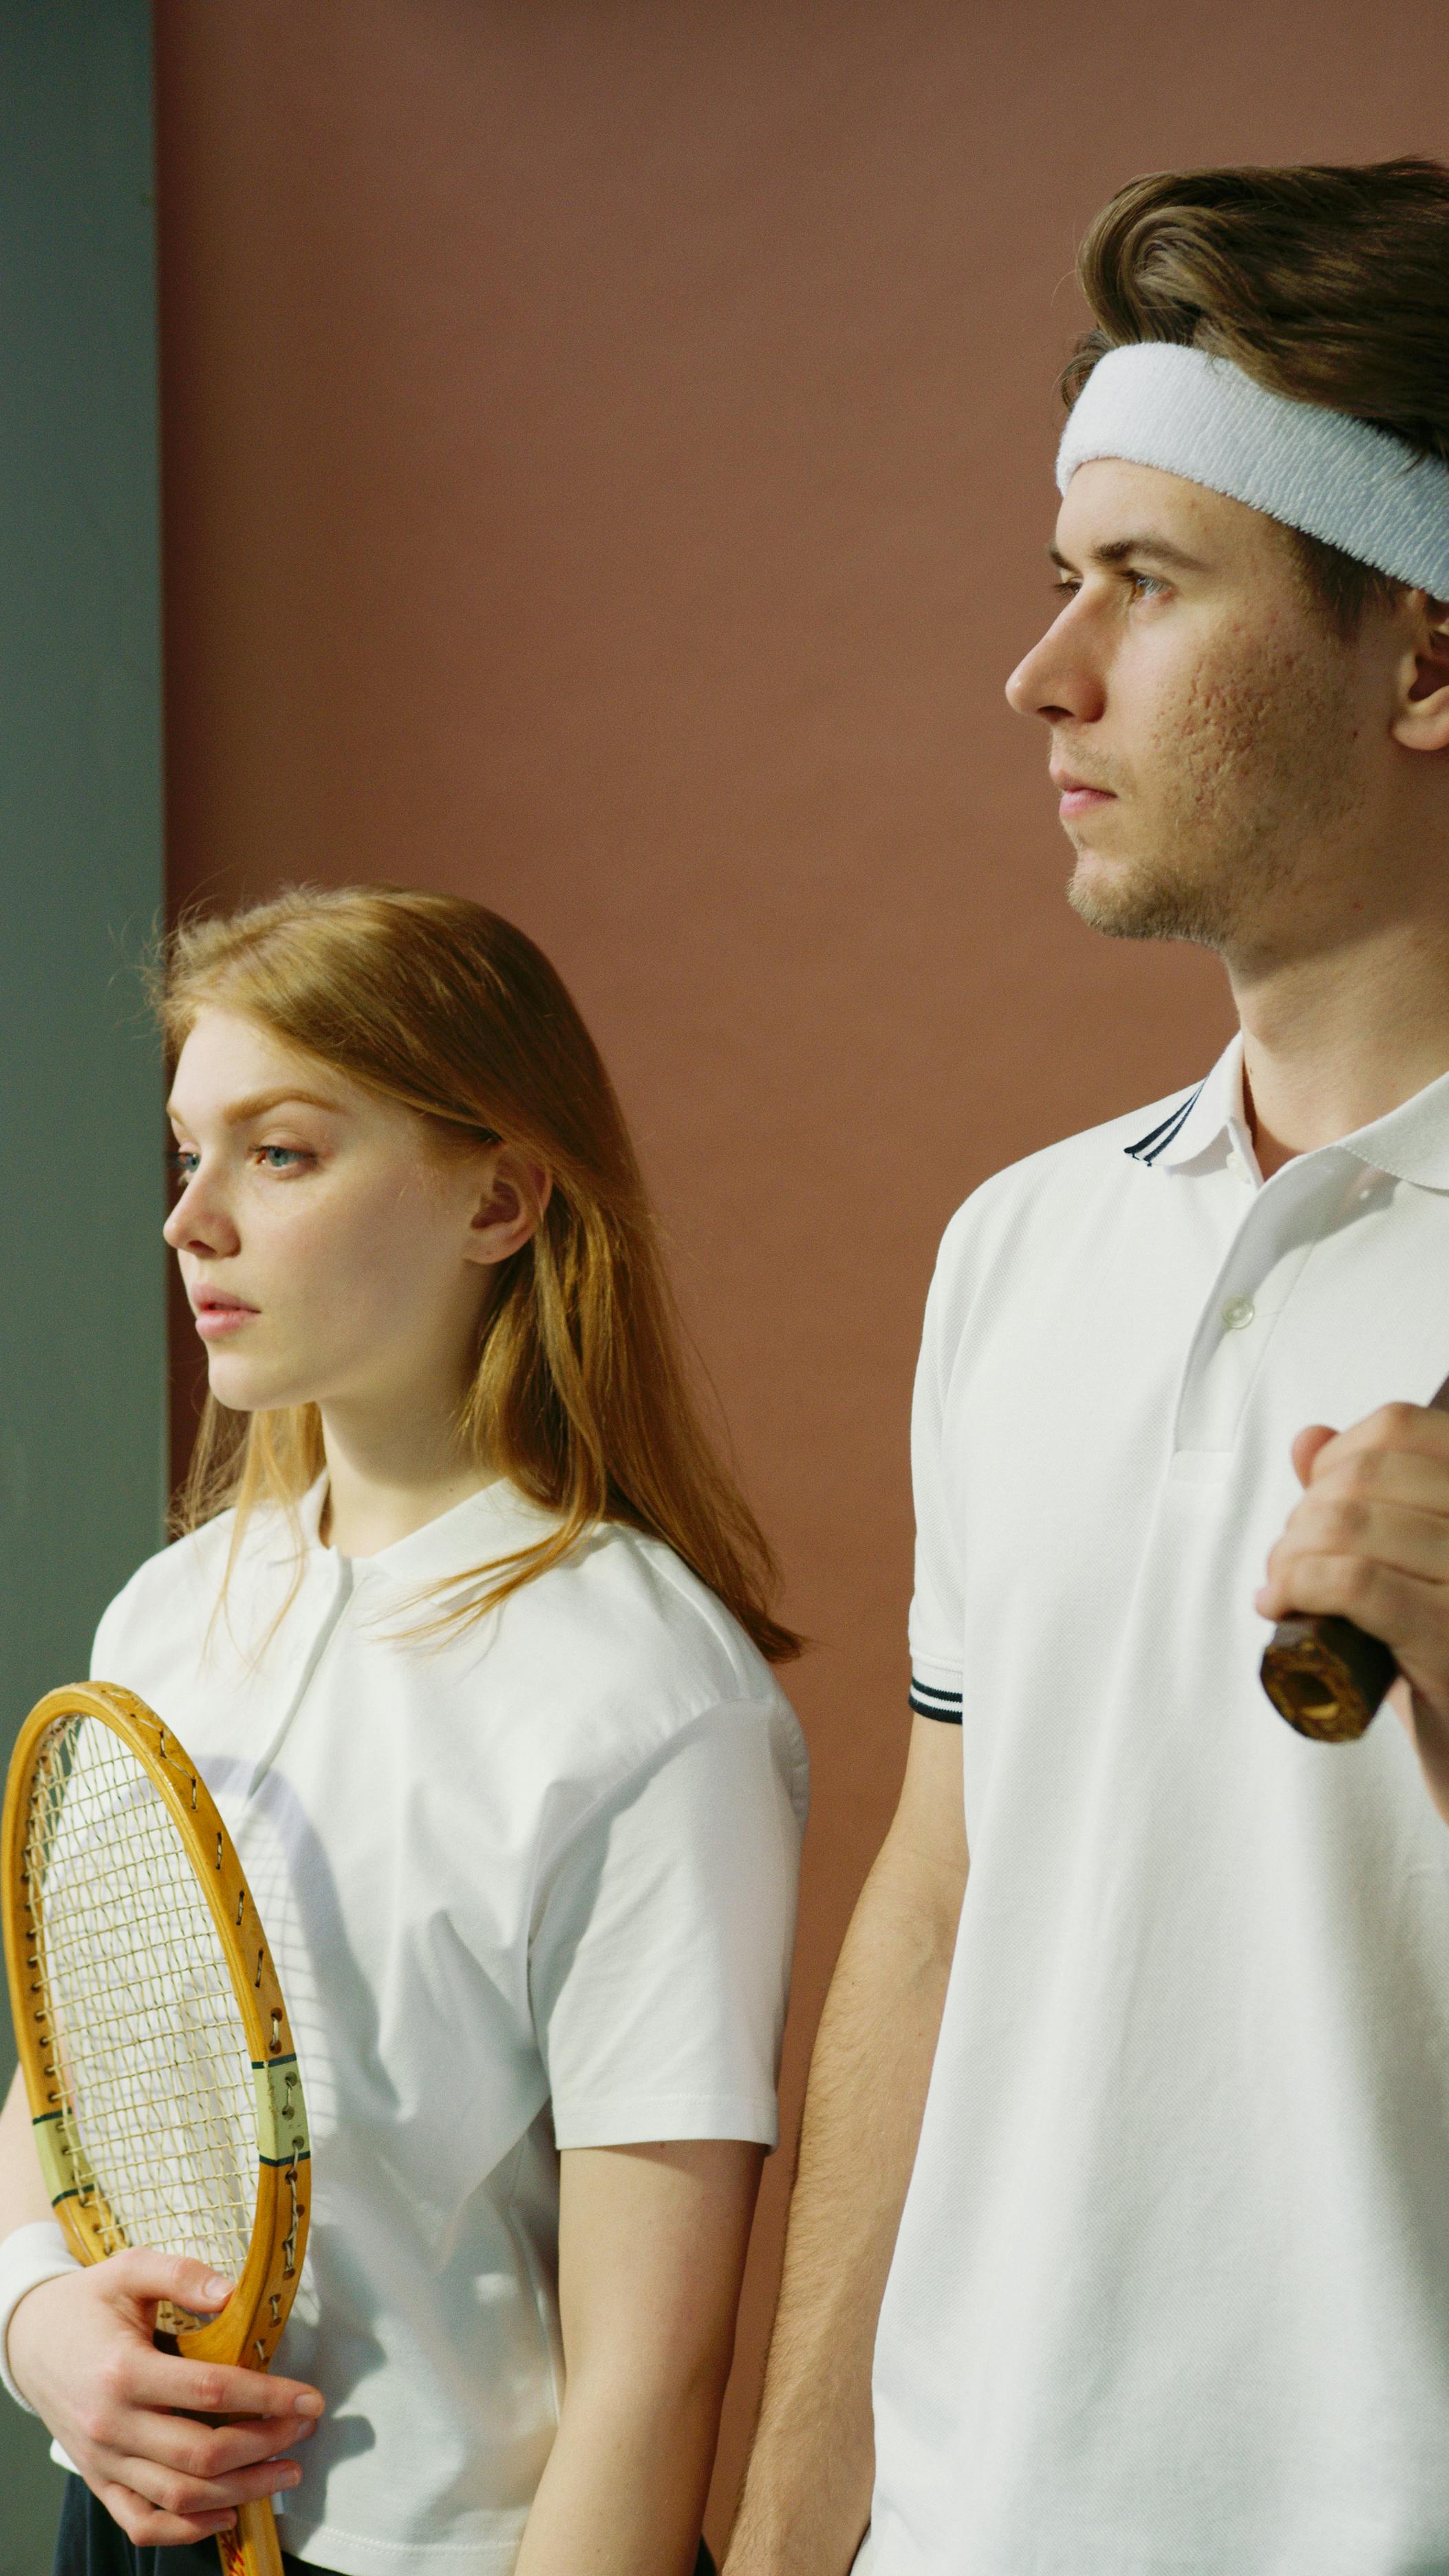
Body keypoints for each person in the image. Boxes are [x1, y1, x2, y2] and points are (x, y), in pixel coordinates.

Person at [725, 156, 1449, 2576]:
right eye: (1064, 580)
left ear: (1420, 660)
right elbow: (944, 1899)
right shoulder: (1018, 1251)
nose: (1041, 672)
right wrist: (803, 2516)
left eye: (1142, 585)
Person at [0, 886, 808, 2576]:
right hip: (131, 2521)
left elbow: (652, 2383)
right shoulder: (166, 1617)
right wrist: (38, 2326)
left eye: (280, 1154)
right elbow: (73, 2081)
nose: (190, 1223)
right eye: (186, 1153)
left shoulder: (654, 1698)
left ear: (499, 1198)